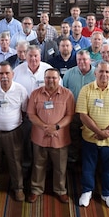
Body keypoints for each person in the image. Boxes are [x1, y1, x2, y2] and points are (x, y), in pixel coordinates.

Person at [76, 61, 109, 209]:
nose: (104, 74)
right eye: (101, 72)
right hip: (90, 138)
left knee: (108, 169)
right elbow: (82, 115)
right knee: (88, 167)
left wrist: (106, 133)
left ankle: (107, 193)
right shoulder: (86, 90)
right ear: (95, 73)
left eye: (107, 72)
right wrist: (98, 132)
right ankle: (87, 191)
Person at [0, 62, 29, 202]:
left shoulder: (21, 90)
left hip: (14, 132)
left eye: (7, 73)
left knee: (15, 161)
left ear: (12, 74)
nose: (4, 76)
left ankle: (18, 188)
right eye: (1, 73)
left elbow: (24, 110)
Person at [27, 67, 74, 204]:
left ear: (59, 79)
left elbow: (70, 115)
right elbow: (31, 114)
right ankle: (36, 189)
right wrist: (45, 127)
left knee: (60, 167)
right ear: (44, 79)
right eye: (48, 78)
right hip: (39, 136)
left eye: (54, 78)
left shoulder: (67, 94)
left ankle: (60, 190)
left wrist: (56, 127)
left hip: (59, 138)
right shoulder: (35, 94)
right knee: (38, 164)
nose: (50, 80)